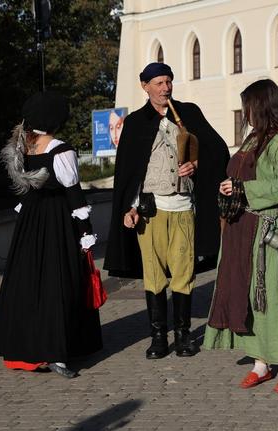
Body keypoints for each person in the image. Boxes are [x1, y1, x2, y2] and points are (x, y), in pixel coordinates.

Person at [104, 62, 229, 359]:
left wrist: (197, 164)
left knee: (184, 273)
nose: (165, 88)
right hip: (151, 211)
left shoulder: (189, 113)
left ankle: (183, 336)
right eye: (158, 83)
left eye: (168, 82)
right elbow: (129, 172)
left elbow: (218, 150)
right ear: (145, 86)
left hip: (183, 207)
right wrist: (130, 208)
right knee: (155, 274)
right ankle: (158, 337)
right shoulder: (135, 122)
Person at [0, 91, 102, 379]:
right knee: (58, 282)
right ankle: (55, 351)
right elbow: (74, 194)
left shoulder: (24, 148)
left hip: (30, 221)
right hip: (57, 222)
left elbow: (18, 188)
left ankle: (25, 347)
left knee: (28, 281)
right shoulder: (60, 150)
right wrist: (85, 232)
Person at [203, 79, 278, 396]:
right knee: (250, 296)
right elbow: (240, 177)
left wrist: (244, 189)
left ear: (259, 106)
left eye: (247, 106)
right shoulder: (251, 140)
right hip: (241, 227)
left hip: (266, 228)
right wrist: (228, 186)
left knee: (272, 294)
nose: (245, 113)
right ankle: (261, 362)